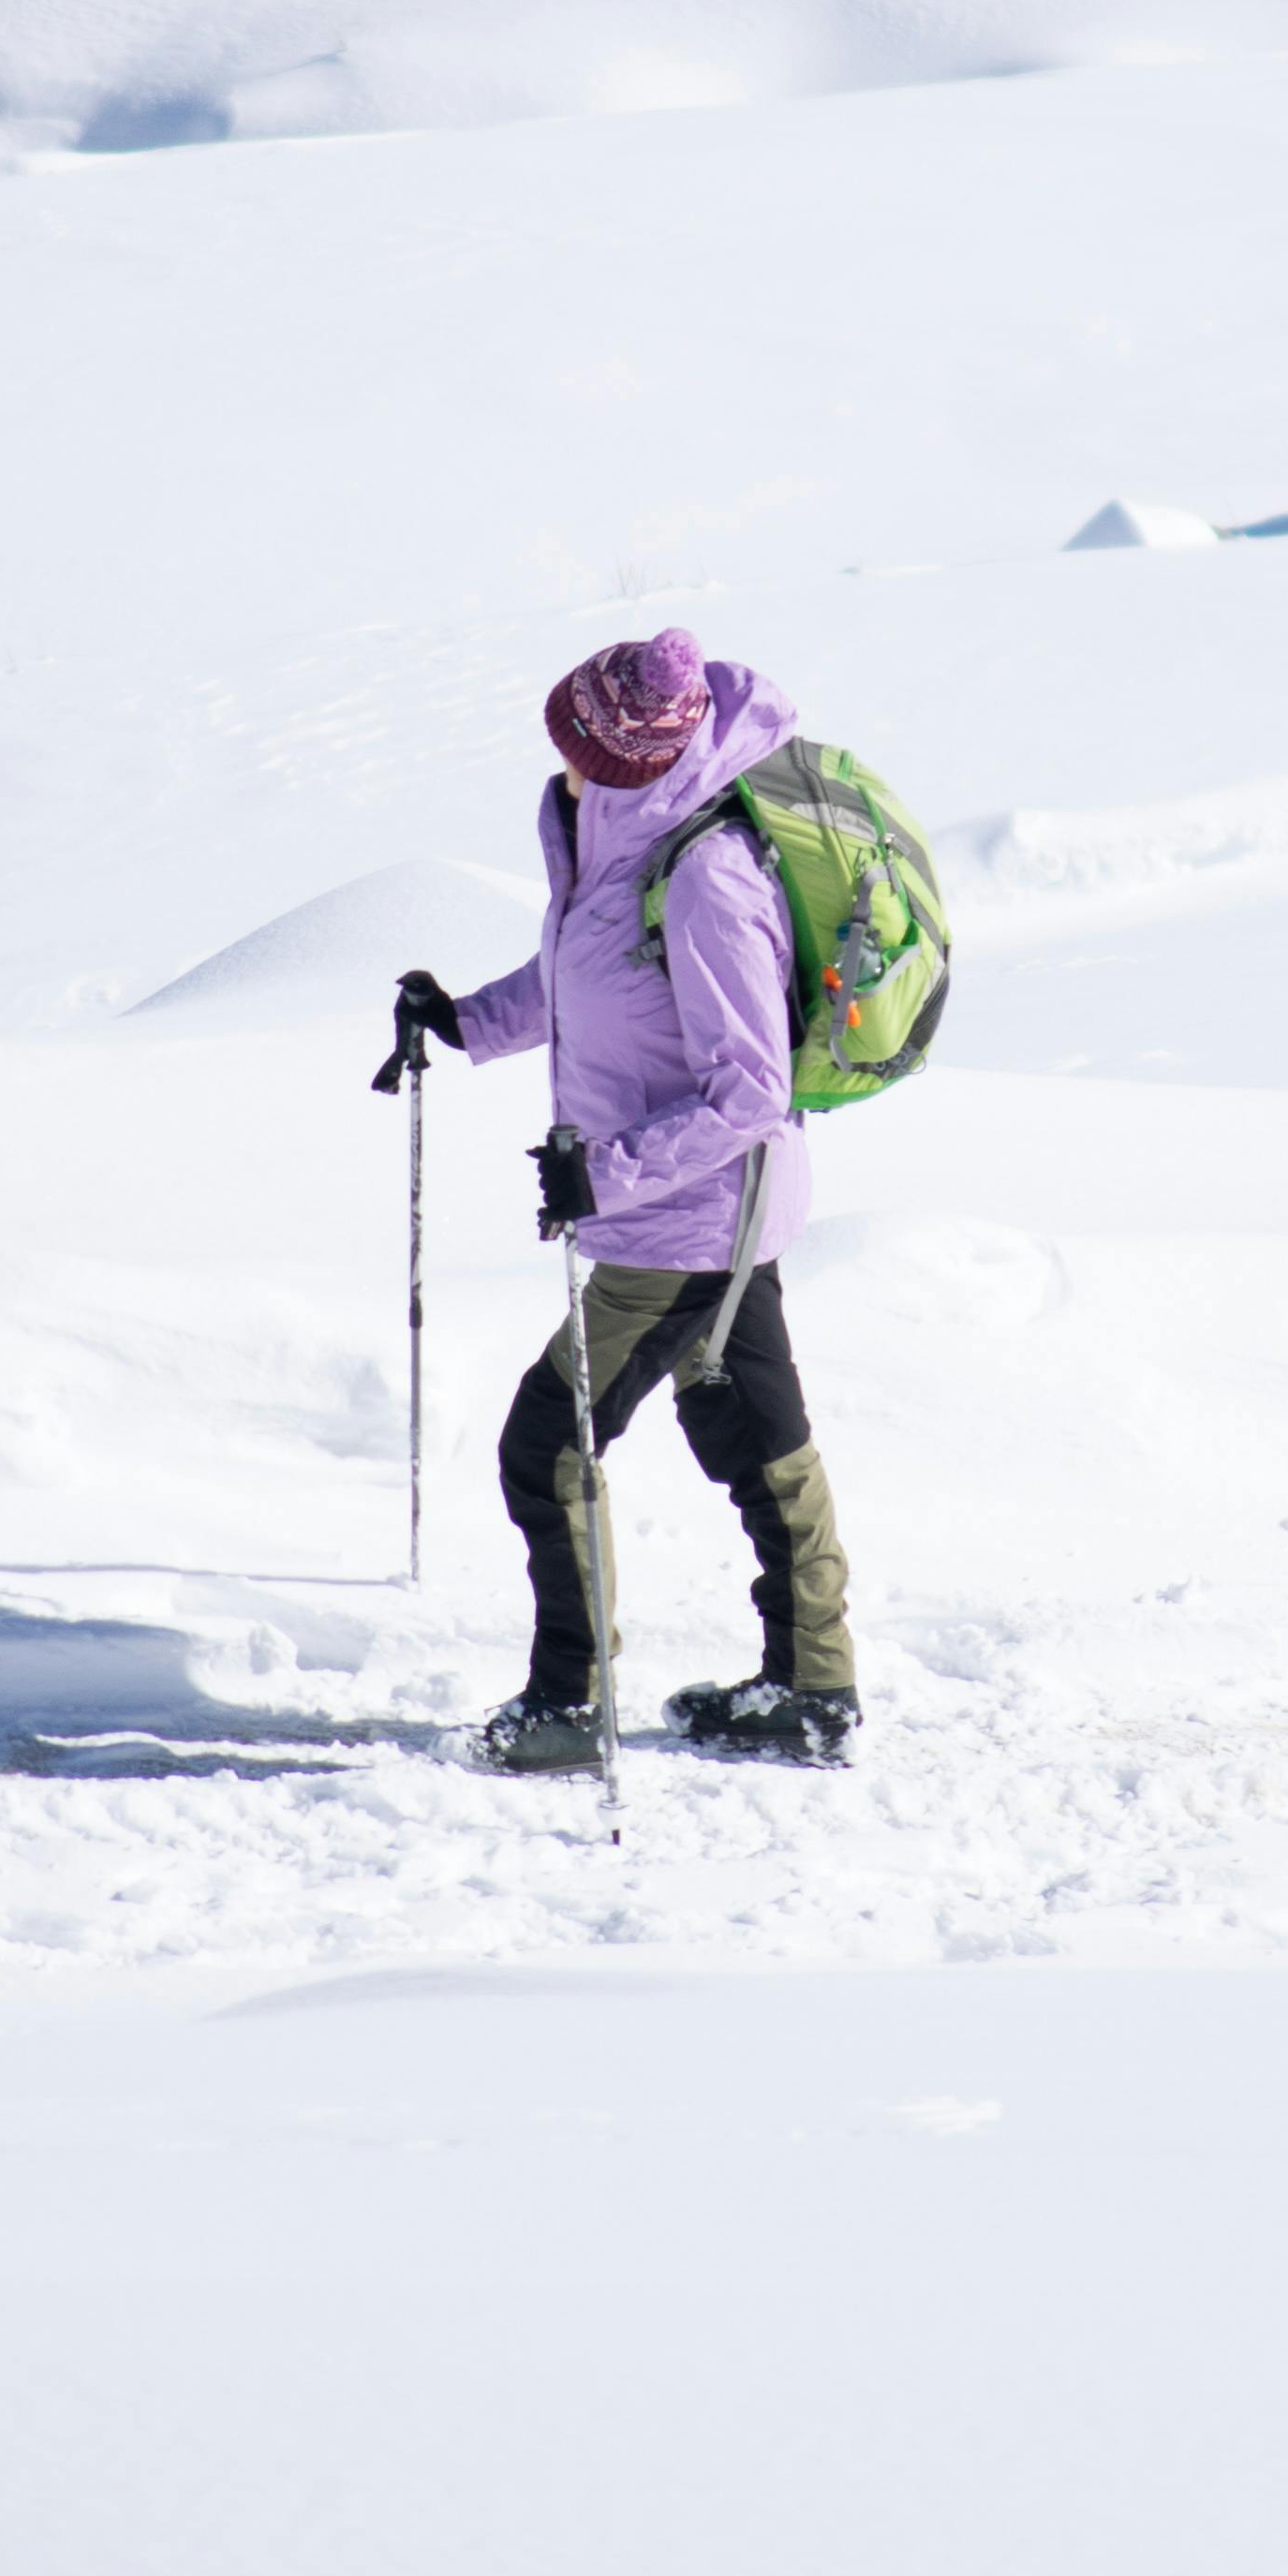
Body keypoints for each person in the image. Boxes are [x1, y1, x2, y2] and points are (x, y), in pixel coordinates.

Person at [389, 629, 856, 1772]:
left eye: (580, 744)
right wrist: (464, 1021)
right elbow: (585, 985)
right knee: (755, 1437)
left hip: (689, 1223)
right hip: (699, 1217)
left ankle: (569, 1705)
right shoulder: (617, 833)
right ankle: (812, 1689)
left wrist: (609, 1173)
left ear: (632, 754)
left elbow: (750, 1089)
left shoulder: (705, 877)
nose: (564, 765)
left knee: (545, 1443)